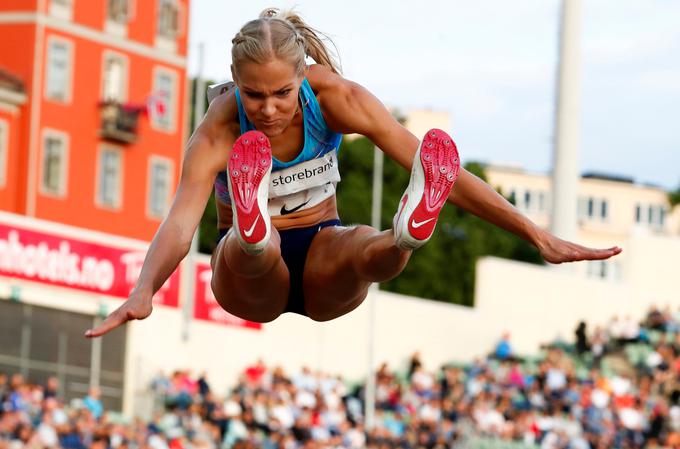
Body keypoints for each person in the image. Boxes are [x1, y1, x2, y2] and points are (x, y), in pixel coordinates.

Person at [85, 8, 621, 338]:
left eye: (281, 94)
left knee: (367, 247)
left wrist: (535, 234)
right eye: (253, 95)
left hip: (322, 252)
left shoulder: (338, 98)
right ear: (233, 82)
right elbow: (180, 224)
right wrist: (143, 289)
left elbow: (443, 170)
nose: (268, 109)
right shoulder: (217, 129)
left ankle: (408, 231)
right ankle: (255, 230)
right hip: (251, 283)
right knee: (252, 253)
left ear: (304, 76)